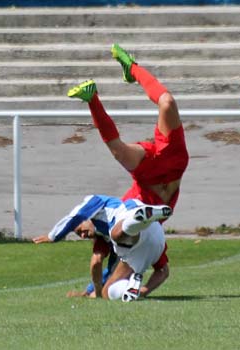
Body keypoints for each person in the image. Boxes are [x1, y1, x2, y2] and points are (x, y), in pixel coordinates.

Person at [65, 43, 189, 295]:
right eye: (81, 233)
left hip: (164, 164)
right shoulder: (132, 241)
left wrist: (91, 291)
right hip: (162, 185)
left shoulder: (112, 216)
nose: (83, 234)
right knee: (125, 245)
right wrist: (139, 290)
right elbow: (108, 263)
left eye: (80, 231)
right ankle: (92, 97)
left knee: (166, 102)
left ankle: (129, 70)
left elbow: (98, 262)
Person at [32, 194, 172, 302]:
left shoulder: (99, 202)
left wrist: (53, 236)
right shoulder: (101, 237)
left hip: (132, 213)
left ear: (87, 219)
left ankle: (139, 218)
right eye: (79, 235)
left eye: (80, 230)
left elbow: (76, 214)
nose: (82, 235)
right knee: (107, 292)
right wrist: (144, 291)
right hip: (153, 242)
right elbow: (163, 271)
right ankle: (130, 289)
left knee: (116, 235)